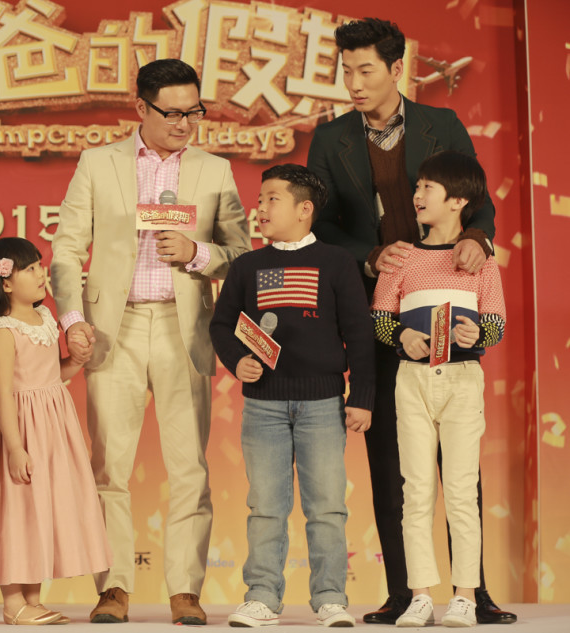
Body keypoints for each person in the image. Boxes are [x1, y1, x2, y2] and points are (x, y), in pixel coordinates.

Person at [306, 18, 514, 624]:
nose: (354, 83)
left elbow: (478, 198)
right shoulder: (331, 138)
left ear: (397, 69)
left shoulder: (439, 124)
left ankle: (472, 592)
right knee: (391, 461)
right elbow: (320, 224)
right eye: (346, 71)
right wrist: (370, 256)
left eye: (366, 70)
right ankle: (406, 592)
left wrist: (477, 238)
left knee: (459, 466)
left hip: (447, 297)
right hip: (376, 305)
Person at [50, 57, 251, 625]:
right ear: (141, 108)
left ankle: (185, 589)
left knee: (190, 466)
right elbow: (67, 248)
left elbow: (241, 255)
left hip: (183, 327)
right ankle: (113, 586)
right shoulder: (98, 163)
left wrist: (197, 253)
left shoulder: (214, 170)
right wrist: (72, 320)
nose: (185, 123)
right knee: (108, 465)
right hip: (112, 327)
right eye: (172, 113)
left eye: (194, 112)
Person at [209, 164, 374, 628]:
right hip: (263, 406)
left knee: (327, 506)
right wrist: (237, 361)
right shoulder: (247, 266)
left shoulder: (337, 262)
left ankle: (330, 598)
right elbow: (222, 324)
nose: (260, 208)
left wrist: (362, 396)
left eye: (272, 199)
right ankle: (262, 596)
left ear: (305, 210)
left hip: (324, 405)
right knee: (265, 506)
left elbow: (359, 333)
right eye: (259, 199)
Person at [371, 151, 505, 627]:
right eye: (417, 186)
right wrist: (402, 335)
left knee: (462, 490)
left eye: (428, 187)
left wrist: (477, 333)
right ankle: (420, 596)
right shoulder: (402, 257)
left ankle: (465, 596)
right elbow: (380, 318)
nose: (417, 195)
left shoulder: (482, 261)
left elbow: (495, 324)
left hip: (463, 381)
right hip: (412, 381)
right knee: (416, 491)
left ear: (458, 200)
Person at [0, 238, 112, 626]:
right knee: (14, 511)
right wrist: (15, 448)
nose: (42, 274)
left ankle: (33, 599)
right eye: (31, 268)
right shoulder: (0, 331)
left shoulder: (45, 318)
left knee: (40, 510)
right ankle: (13, 602)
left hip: (52, 429)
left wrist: (76, 361)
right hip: (18, 430)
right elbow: (4, 394)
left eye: (41, 265)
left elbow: (52, 375)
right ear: (5, 282)